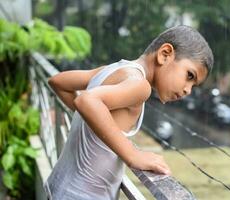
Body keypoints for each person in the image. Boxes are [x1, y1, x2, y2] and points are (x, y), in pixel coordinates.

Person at [44, 25, 214, 200]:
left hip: (57, 188)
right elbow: (86, 101)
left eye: (194, 85)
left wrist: (93, 117)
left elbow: (58, 81)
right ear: (165, 54)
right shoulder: (140, 86)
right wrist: (133, 155)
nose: (188, 90)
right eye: (190, 76)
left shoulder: (112, 70)